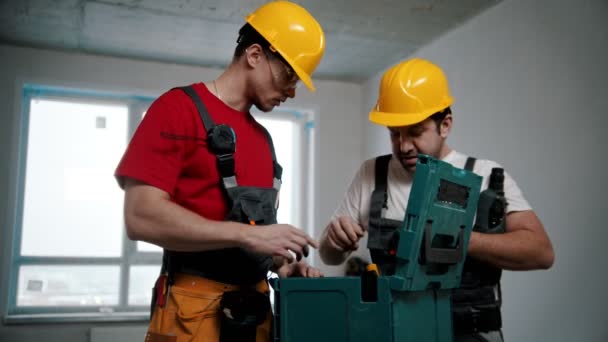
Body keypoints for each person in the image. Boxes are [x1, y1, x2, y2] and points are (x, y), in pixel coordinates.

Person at [114, 2, 326, 341]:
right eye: (289, 75)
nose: (291, 91)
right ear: (255, 55)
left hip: (255, 316)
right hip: (191, 317)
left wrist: (283, 265)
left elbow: (257, 235)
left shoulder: (264, 140)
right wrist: (245, 234)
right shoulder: (177, 109)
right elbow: (140, 217)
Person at [319, 58, 554, 342]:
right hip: (393, 332)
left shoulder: (485, 176)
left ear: (445, 125)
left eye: (416, 132)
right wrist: (333, 241)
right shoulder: (372, 173)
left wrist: (452, 240)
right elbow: (329, 255)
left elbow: (541, 252)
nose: (404, 146)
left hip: (472, 334)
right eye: (395, 134)